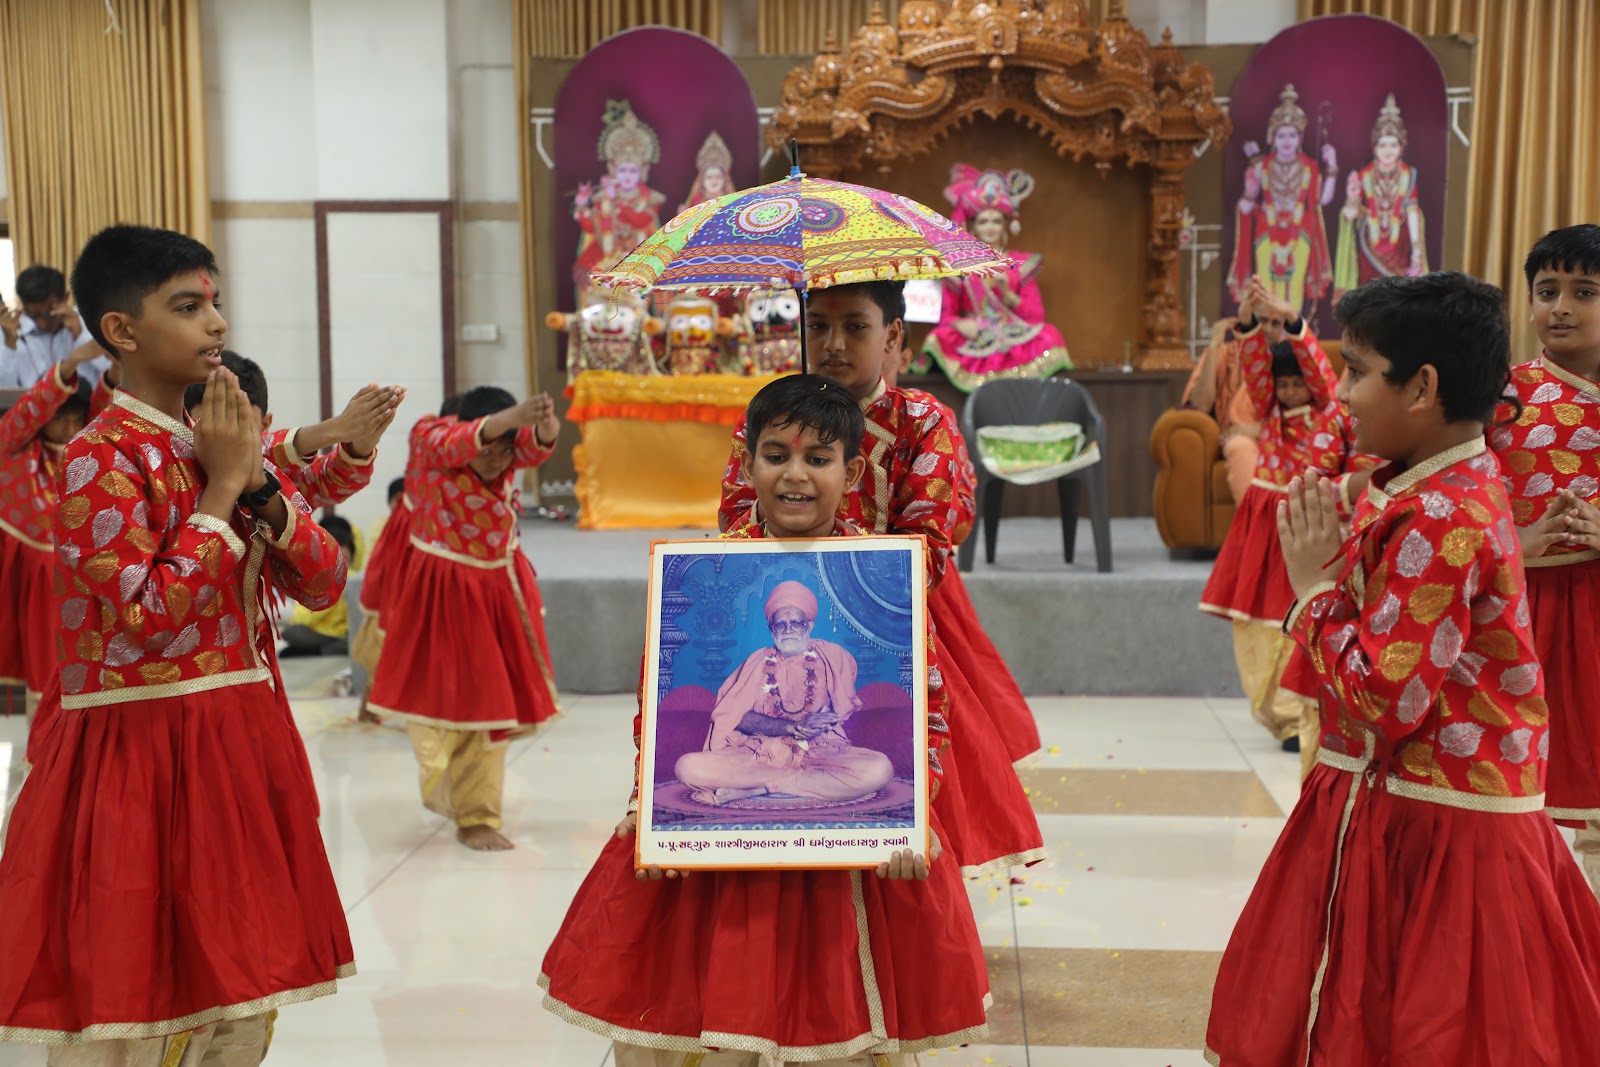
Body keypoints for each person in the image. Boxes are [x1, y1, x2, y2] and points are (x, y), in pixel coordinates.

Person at [1205, 272, 1600, 1064]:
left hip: (1440, 830)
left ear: (1422, 387)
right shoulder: (1425, 485)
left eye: (1356, 372)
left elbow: (1387, 698)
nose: (1343, 395)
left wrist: (1313, 590)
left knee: (1428, 1024)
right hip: (1406, 808)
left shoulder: (1444, 513)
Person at [541, 374, 991, 1064]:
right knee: (696, 771)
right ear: (746, 462)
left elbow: (926, 706)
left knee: (872, 771)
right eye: (775, 454)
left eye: (819, 458)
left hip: (836, 821)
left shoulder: (884, 575)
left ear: (853, 469)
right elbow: (670, 713)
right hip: (746, 799)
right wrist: (648, 809)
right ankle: (748, 798)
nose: (796, 475)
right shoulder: (707, 569)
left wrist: (918, 815)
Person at [0, 224, 353, 1062]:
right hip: (140, 753)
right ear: (122, 331)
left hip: (233, 739)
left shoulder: (210, 444)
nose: (217, 325)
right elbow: (149, 615)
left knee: (238, 986)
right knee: (135, 993)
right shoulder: (97, 458)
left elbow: (325, 580)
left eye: (216, 303)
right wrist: (227, 487)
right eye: (189, 307)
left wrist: (256, 484)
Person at [719, 280, 1045, 875]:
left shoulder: (919, 420)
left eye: (855, 327)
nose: (832, 343)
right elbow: (738, 527)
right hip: (804, 585)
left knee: (904, 756)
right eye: (816, 325)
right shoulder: (766, 415)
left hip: (892, 617)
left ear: (893, 333)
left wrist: (843, 560)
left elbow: (931, 546)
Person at [367, 385, 562, 851]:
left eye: (506, 450)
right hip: (441, 595)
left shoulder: (510, 454)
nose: (499, 460)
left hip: (498, 591)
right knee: (442, 706)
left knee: (489, 708)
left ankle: (476, 814)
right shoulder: (429, 443)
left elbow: (536, 446)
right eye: (490, 448)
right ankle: (456, 795)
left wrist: (544, 422)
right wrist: (511, 418)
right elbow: (456, 441)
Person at [1200, 275, 1361, 751]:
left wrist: (1292, 320)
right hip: (1264, 520)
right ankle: (1277, 713)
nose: (1290, 391)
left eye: (1297, 384)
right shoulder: (1268, 407)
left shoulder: (1327, 410)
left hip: (1304, 518)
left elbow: (1318, 371)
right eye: (1282, 383)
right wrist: (1248, 323)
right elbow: (1254, 366)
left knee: (1298, 610)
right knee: (1256, 618)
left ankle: (1296, 713)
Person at [1494, 224, 1600, 898]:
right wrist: (1513, 541)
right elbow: (1458, 489)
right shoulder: (1501, 396)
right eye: (1547, 290)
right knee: (1519, 787)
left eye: (1584, 292)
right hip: (1523, 613)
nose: (1560, 305)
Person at [676, 580, 894, 806]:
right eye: (780, 624)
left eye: (796, 623)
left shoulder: (832, 657)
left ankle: (758, 790)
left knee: (880, 769)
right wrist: (791, 728)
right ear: (771, 630)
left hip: (818, 754)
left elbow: (841, 709)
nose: (788, 630)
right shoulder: (758, 662)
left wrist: (823, 720)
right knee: (687, 767)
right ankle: (797, 784)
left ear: (809, 626)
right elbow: (735, 717)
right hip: (762, 757)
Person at [0, 342, 117, 723]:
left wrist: (117, 369)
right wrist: (70, 364)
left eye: (75, 419)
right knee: (44, 670)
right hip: (33, 577)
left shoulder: (86, 449)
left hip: (81, 575)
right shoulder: (15, 447)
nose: (68, 428)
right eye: (60, 418)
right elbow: (26, 413)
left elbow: (104, 411)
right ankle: (40, 749)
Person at [351, 398, 461, 726]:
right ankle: (376, 713)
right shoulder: (420, 488)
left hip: (445, 579)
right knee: (392, 651)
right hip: (411, 581)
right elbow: (397, 551)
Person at [181, 349, 402, 510]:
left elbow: (329, 480)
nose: (228, 432)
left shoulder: (281, 479)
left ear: (265, 425)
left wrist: (360, 448)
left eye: (242, 422)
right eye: (214, 418)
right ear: (188, 420)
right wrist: (335, 428)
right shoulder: (177, 468)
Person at [918, 164, 1072, 391]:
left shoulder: (1021, 265)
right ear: (973, 227)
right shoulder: (958, 265)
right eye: (983, 221)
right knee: (937, 337)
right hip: (976, 333)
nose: (990, 227)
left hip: (1013, 331)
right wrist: (961, 323)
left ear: (1005, 227)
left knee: (1050, 335)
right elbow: (947, 316)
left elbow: (1036, 315)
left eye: (996, 221)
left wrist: (1007, 292)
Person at [1229, 84, 1337, 317]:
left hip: (1300, 233)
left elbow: (1322, 201)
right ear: (1273, 138)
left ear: (1300, 138)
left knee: (1295, 285)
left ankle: (1292, 336)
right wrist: (1249, 191)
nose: (1286, 141)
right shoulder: (1261, 166)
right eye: (1281, 135)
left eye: (1292, 135)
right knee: (1266, 285)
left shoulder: (1309, 167)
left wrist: (1333, 169)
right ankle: (1267, 335)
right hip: (1267, 231)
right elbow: (1247, 204)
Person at [1334, 94, 1428, 296]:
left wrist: (1417, 253)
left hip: (1399, 248)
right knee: (1369, 299)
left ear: (1401, 148)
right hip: (1369, 248)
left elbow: (1412, 212)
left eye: (1393, 145)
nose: (1388, 151)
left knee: (1396, 299)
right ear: (1374, 148)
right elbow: (1350, 216)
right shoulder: (1363, 175)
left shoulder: (1409, 175)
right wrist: (1351, 198)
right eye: (1383, 145)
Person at [1182, 316, 1268, 506]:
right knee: (1239, 446)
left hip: (1280, 437)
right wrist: (1214, 345)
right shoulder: (1226, 354)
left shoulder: (1287, 354)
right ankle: (1253, 528)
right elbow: (1200, 404)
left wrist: (1258, 430)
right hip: (1240, 439)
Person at [0, 264, 110, 388]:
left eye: (48, 314)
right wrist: (10, 345)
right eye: (33, 315)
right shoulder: (10, 331)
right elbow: (4, 392)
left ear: (65, 297)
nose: (41, 322)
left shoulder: (89, 320)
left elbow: (115, 371)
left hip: (91, 405)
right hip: (33, 405)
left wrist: (80, 335)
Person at [281, 513, 361, 657]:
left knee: (291, 631)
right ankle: (328, 648)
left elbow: (308, 616)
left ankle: (320, 650)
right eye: (337, 560)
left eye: (344, 560)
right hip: (329, 630)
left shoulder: (341, 578)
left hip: (334, 632)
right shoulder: (333, 576)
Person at [680, 130, 733, 211]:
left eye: (718, 177)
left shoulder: (730, 200)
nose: (714, 180)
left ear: (725, 179)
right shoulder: (696, 201)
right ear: (702, 180)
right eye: (709, 177)